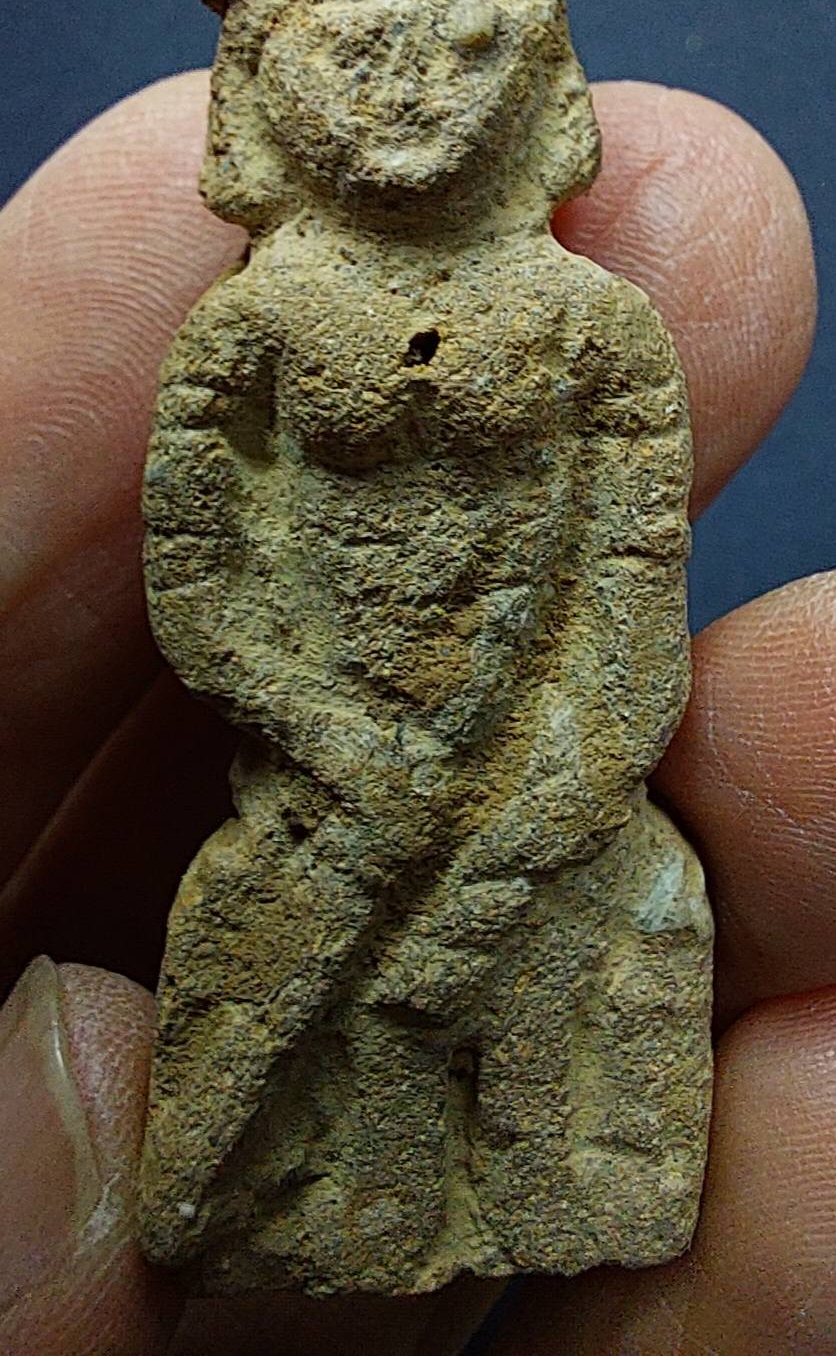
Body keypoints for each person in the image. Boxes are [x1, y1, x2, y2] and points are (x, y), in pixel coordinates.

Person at [0, 68, 830, 1353]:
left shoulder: (593, 328)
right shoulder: (249, 325)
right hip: (322, 776)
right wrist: (333, 745)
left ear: (534, 71)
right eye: (350, 35)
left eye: (460, 30)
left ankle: (535, 1173)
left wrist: (541, 809)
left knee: (613, 922)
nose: (406, 74)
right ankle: (331, 1182)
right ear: (267, 79)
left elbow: (625, 597)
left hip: (545, 772)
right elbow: (203, 580)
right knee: (261, 948)